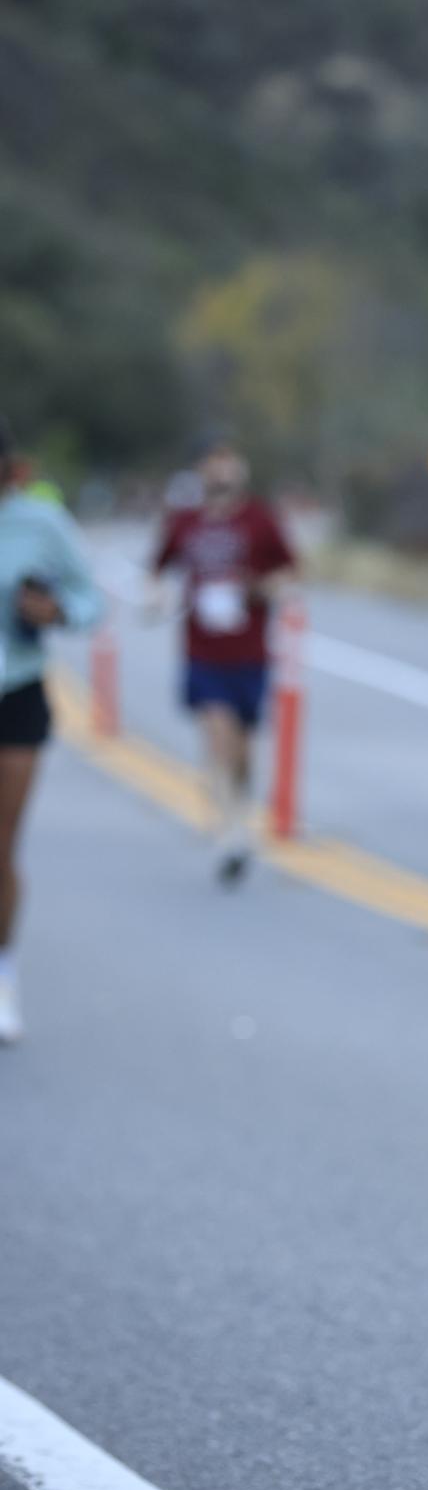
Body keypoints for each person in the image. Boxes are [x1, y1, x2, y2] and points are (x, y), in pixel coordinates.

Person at [149, 440, 297, 883]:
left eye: (228, 464)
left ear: (240, 470)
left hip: (249, 651)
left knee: (243, 750)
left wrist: (261, 589)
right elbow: (158, 567)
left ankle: (238, 812)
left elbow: (289, 570)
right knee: (218, 732)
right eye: (213, 465)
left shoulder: (260, 519)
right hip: (202, 650)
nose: (221, 473)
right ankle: (232, 833)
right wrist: (156, 598)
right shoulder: (185, 521)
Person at [0, 416, 104, 1044]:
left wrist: (57, 609)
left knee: (0, 846)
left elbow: (92, 600)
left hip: (14, 694)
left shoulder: (40, 524)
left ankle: (2, 973)